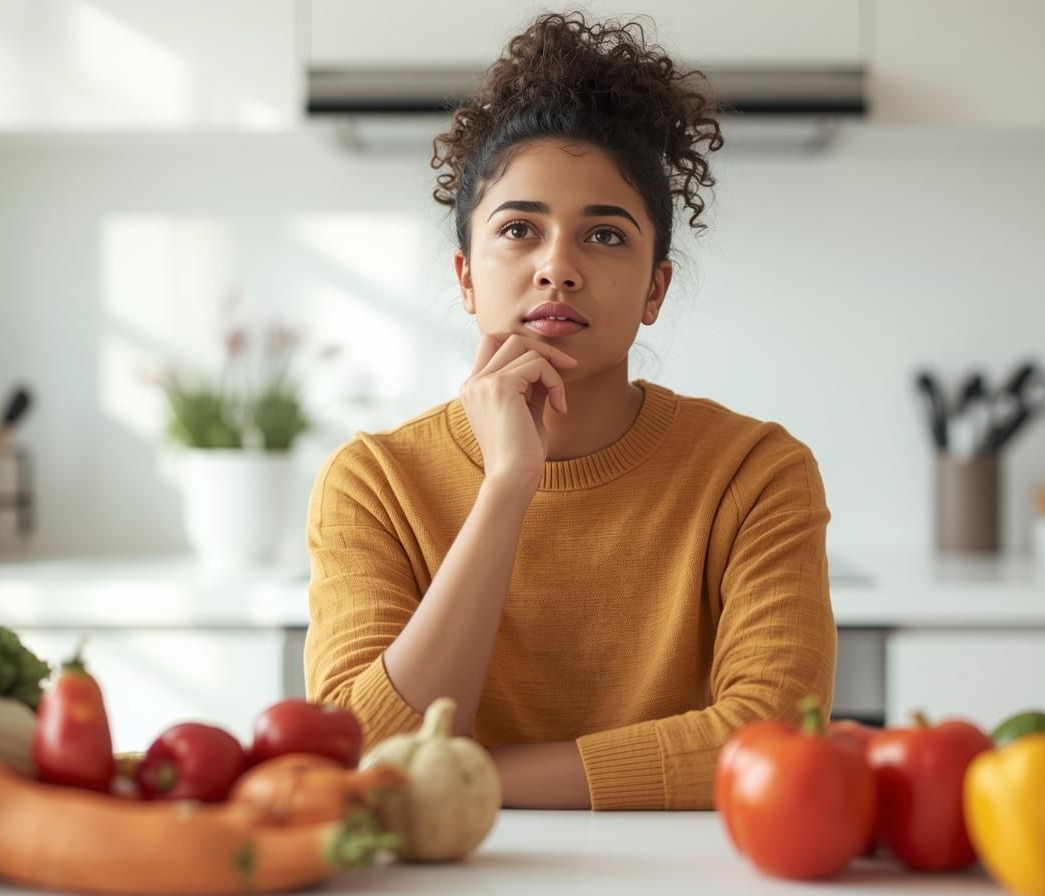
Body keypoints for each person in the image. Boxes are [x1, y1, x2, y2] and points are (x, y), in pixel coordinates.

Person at [303, 11, 835, 810]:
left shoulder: (756, 474)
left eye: (606, 236)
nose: (558, 268)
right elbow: (362, 747)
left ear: (655, 289)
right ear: (466, 278)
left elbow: (774, 737)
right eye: (520, 229)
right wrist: (506, 486)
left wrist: (470, 779)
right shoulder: (373, 482)